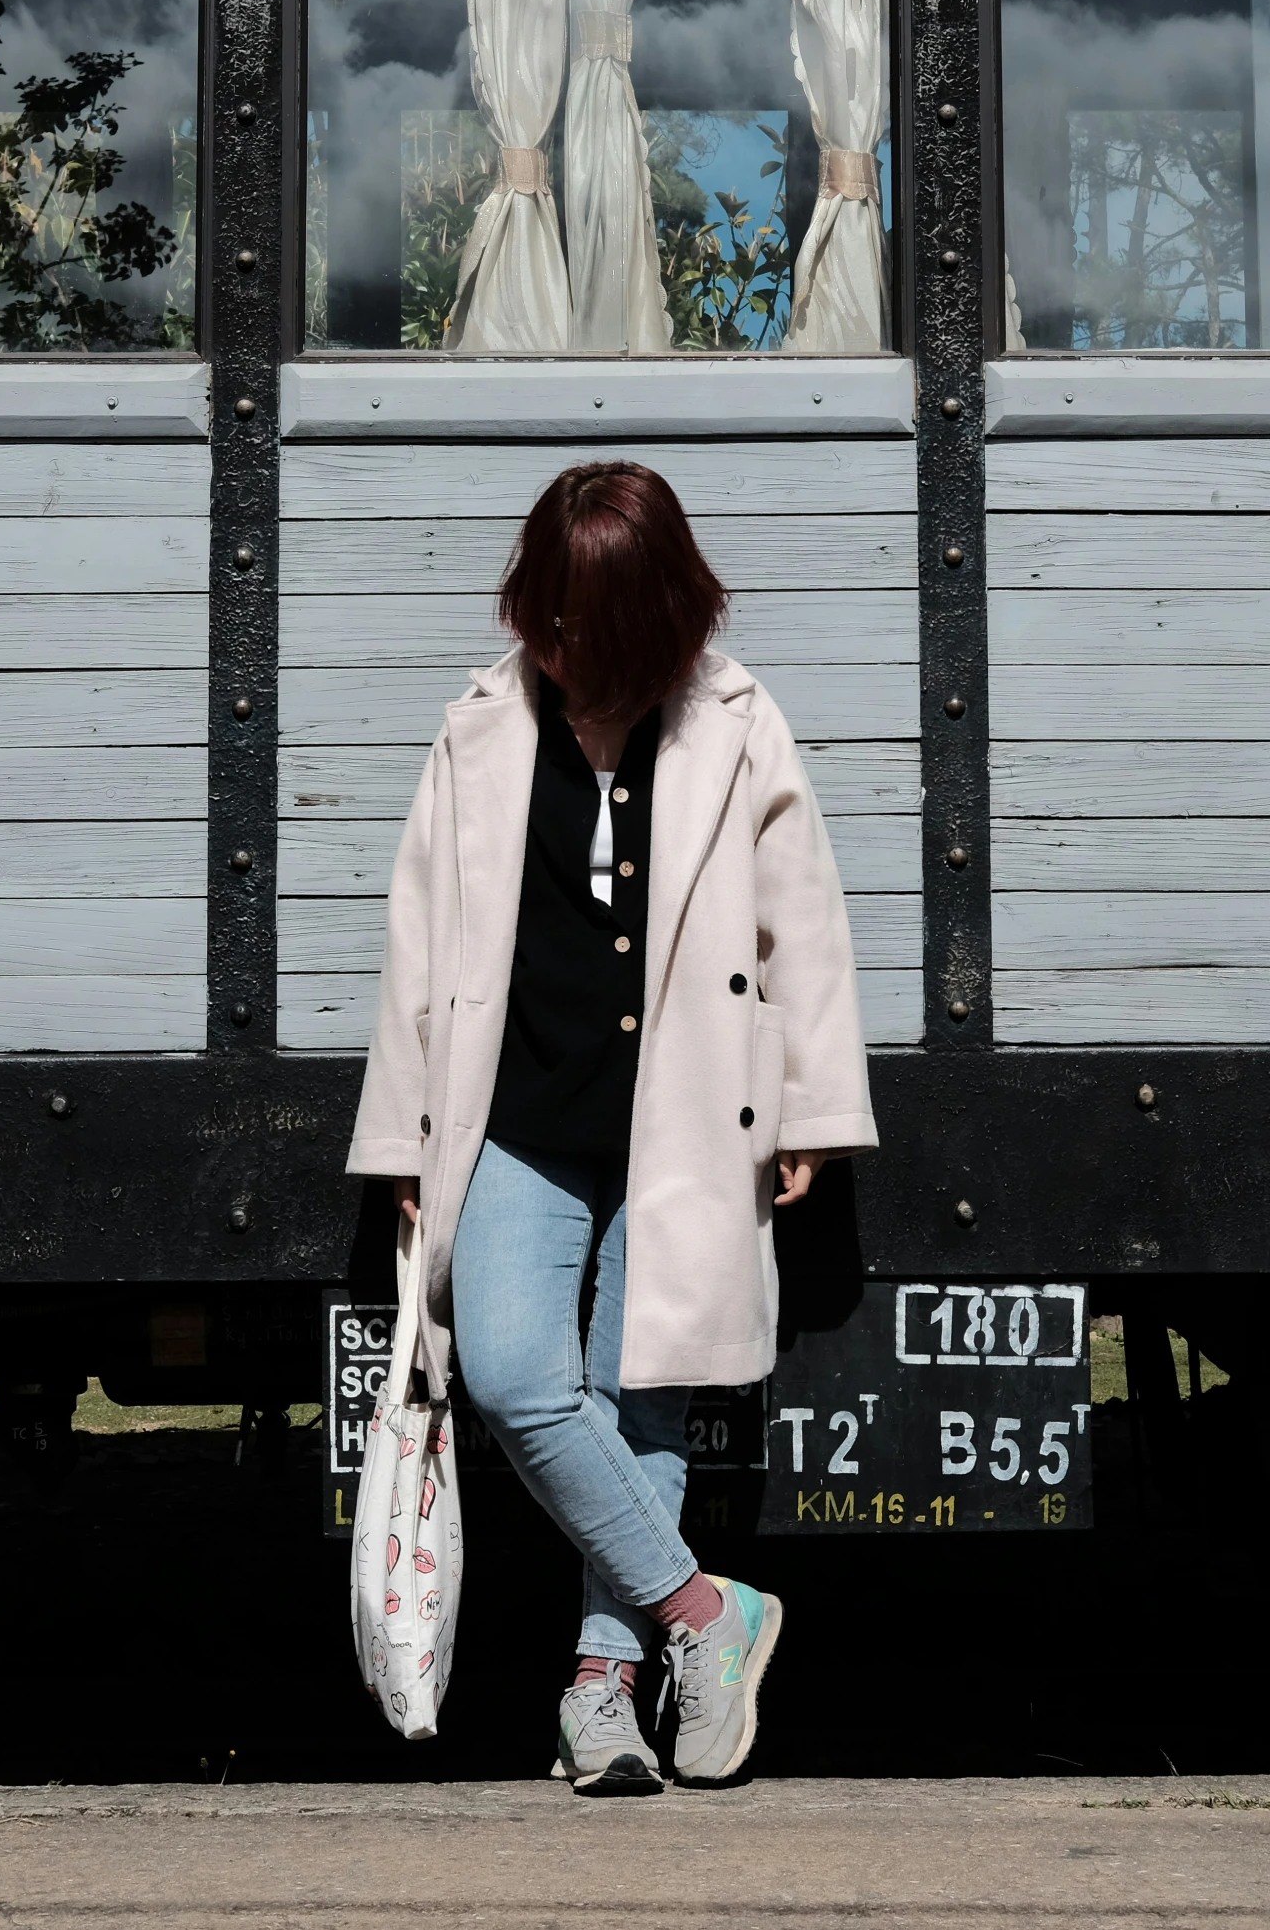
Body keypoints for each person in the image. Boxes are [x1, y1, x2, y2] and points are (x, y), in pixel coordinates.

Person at [349, 461, 876, 1792]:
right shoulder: (478, 725)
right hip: (515, 1115)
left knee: (642, 1398)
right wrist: (411, 1136)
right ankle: (710, 1612)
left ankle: (602, 1692)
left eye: (589, 625)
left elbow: (801, 920)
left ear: (658, 618)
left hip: (688, 1115)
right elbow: (419, 939)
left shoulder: (739, 722)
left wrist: (810, 1104)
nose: (558, 647)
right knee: (517, 1376)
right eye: (548, 615)